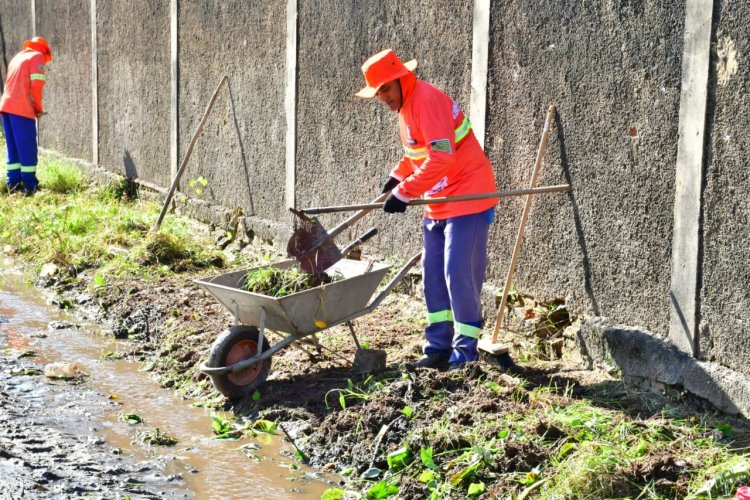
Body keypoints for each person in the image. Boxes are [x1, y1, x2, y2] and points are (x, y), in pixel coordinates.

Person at [355, 49, 498, 370]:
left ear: (401, 79)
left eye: (386, 90)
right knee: (433, 276)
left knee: (457, 273)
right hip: (439, 200)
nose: (383, 98)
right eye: (377, 93)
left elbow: (443, 156)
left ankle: (465, 352)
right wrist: (397, 175)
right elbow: (418, 153)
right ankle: (438, 348)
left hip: (467, 196)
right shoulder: (406, 108)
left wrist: (405, 192)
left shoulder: (427, 101)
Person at [0, 36, 52, 195]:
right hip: (21, 108)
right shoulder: (37, 56)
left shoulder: (18, 57)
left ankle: (13, 184)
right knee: (27, 146)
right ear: (44, 51)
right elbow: (36, 85)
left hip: (6, 107)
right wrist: (38, 107)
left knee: (13, 147)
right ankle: (31, 186)